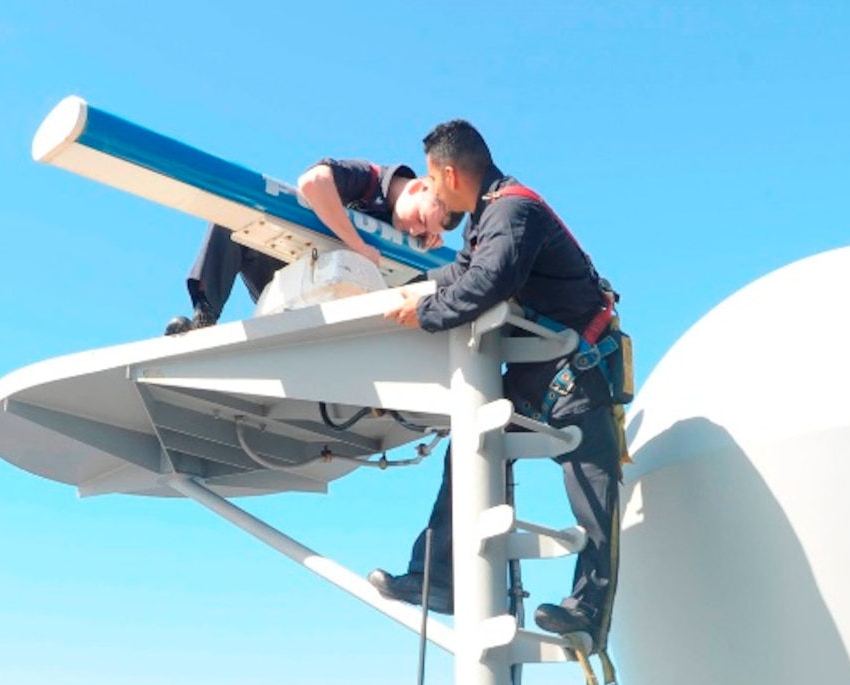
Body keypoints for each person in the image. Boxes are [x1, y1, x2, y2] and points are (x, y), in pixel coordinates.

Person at [373, 119, 625, 648]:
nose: (433, 193)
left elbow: (490, 281)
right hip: (537, 375)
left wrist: (426, 313)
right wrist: (404, 290)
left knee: (594, 497)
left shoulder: (514, 211)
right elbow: (462, 270)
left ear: (447, 173)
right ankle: (439, 579)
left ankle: (587, 613)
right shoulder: (487, 219)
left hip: (576, 374)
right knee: (470, 450)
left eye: (431, 181)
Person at [165, 159, 453, 335]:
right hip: (295, 272)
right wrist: (358, 244)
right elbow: (313, 182)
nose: (416, 230)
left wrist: (423, 249)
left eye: (426, 232)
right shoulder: (368, 179)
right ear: (418, 188)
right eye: (421, 220)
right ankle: (205, 317)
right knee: (233, 215)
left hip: (350, 308)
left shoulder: (408, 236)